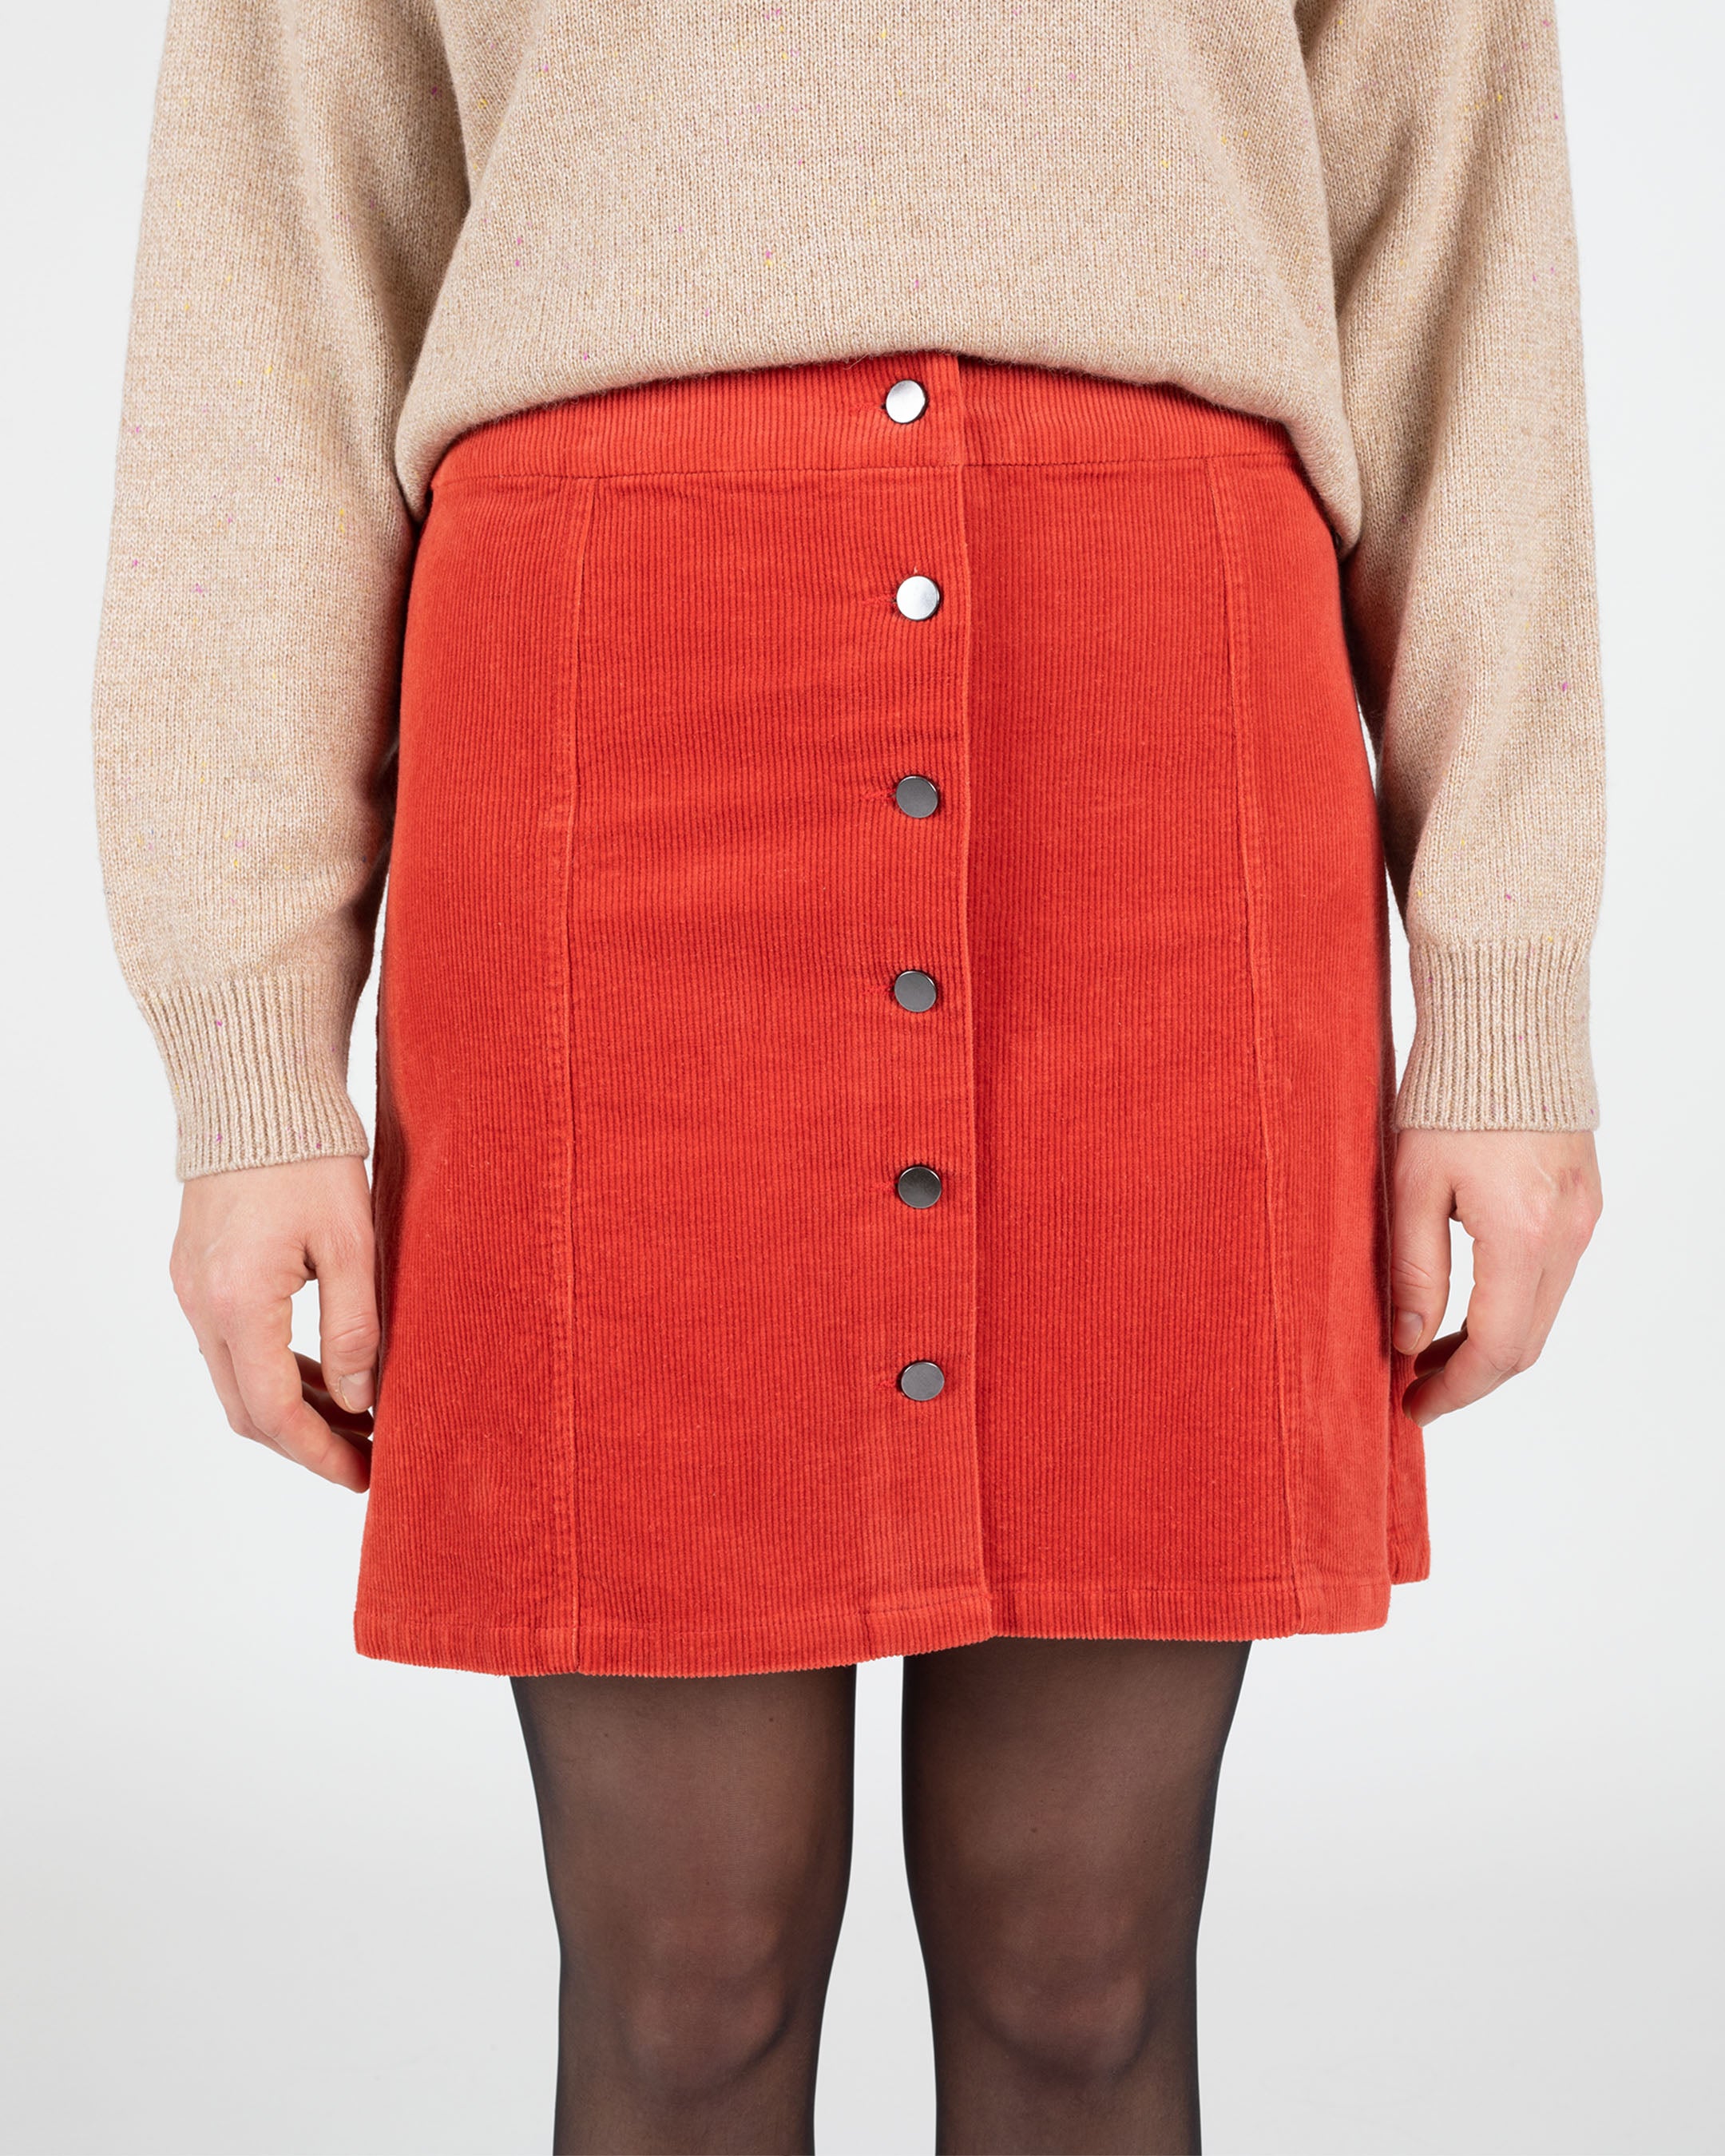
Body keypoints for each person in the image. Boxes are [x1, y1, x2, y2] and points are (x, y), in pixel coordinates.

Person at [92, 3, 1604, 2150]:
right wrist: (247, 1055)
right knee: (682, 1977)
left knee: (1083, 1969)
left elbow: (1462, 243)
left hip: (1153, 742)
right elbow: (270, 278)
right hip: (609, 744)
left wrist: (1509, 988)